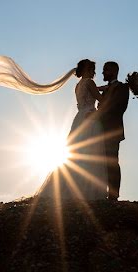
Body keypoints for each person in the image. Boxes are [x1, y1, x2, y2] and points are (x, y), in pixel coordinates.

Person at [36, 59, 108, 201]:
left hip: (79, 118)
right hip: (90, 118)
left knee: (77, 153)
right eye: (92, 68)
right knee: (91, 153)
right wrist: (107, 95)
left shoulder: (78, 85)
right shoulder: (89, 82)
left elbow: (89, 94)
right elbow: (100, 98)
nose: (94, 71)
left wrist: (102, 88)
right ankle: (87, 191)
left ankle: (68, 188)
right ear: (88, 69)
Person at [97, 61, 130, 201]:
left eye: (106, 70)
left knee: (111, 162)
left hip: (112, 130)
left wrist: (99, 113)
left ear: (114, 71)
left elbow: (118, 107)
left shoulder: (122, 87)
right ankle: (99, 192)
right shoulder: (105, 89)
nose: (103, 73)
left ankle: (113, 195)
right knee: (99, 162)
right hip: (98, 130)